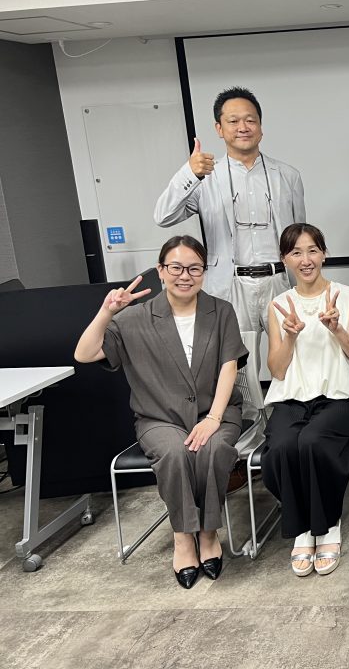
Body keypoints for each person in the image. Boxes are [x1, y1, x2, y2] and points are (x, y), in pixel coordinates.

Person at [74, 236, 247, 589]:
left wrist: (213, 419)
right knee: (174, 453)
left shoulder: (221, 311)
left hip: (215, 411)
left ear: (203, 271)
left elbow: (229, 366)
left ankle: (208, 533)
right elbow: (84, 354)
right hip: (159, 419)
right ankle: (183, 537)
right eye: (176, 267)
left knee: (214, 449)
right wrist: (107, 312)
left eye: (194, 268)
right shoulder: (134, 318)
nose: (185, 276)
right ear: (161, 270)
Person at [154, 87, 305, 447]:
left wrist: (302, 283)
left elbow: (300, 233)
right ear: (219, 129)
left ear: (261, 127)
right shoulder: (205, 176)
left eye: (250, 120)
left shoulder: (287, 175)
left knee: (293, 360)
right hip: (230, 285)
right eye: (233, 121)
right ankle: (246, 448)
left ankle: (291, 436)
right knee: (237, 369)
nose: (243, 127)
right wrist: (189, 173)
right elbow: (163, 216)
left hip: (278, 281)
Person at [262, 223, 349, 577]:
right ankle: (302, 528)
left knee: (312, 441)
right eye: (296, 252)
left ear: (324, 254)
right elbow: (277, 370)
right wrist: (290, 337)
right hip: (293, 399)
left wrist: (337, 329)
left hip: (340, 399)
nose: (306, 259)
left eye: (312, 250)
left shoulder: (348, 295)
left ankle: (326, 525)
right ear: (285, 259)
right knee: (281, 447)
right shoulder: (278, 306)